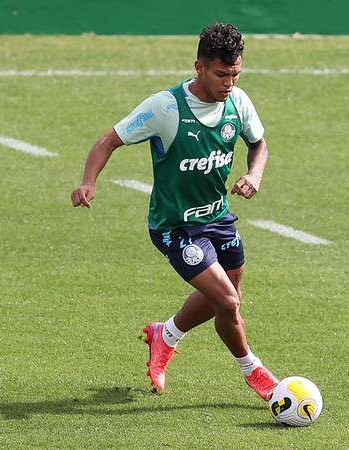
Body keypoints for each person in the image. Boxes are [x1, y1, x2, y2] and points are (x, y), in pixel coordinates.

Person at [70, 22, 278, 401]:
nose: (228, 83)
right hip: (175, 227)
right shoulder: (166, 108)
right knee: (228, 302)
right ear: (199, 67)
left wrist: (254, 174)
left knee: (228, 299)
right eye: (220, 74)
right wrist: (88, 182)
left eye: (235, 74)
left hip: (218, 218)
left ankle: (164, 336)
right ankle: (254, 371)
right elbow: (107, 141)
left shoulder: (238, 102)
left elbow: (258, 144)